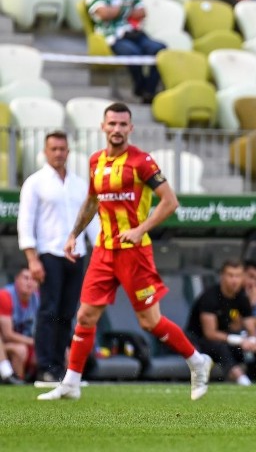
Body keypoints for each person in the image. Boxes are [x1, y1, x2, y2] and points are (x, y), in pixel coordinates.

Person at [37, 102, 213, 401]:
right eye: (112, 124)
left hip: (134, 253)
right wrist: (74, 235)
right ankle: (71, 382)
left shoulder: (142, 162)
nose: (117, 129)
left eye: (122, 124)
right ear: (103, 127)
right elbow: (92, 201)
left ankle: (197, 361)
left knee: (150, 322)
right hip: (104, 251)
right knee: (86, 316)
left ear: (130, 128)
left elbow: (170, 202)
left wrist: (140, 229)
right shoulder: (95, 161)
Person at [17, 131, 99, 383]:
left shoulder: (79, 183)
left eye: (62, 149)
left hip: (76, 255)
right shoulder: (35, 182)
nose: (58, 153)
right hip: (49, 253)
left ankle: (60, 367)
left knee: (67, 312)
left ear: (68, 152)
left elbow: (91, 218)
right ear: (45, 151)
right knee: (48, 311)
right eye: (54, 149)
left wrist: (98, 250)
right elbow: (26, 220)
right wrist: (32, 258)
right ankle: (45, 367)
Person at [186, 259, 256, 386]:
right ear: (222, 276)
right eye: (230, 275)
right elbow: (210, 334)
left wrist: (252, 340)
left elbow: (250, 326)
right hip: (199, 341)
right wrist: (240, 340)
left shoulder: (241, 297)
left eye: (237, 276)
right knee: (221, 348)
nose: (234, 280)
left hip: (228, 338)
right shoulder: (209, 297)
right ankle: (244, 383)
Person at [86, 0, 167, 104]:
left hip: (135, 33)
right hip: (113, 36)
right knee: (133, 53)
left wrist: (116, 10)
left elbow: (142, 12)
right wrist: (127, 9)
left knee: (160, 49)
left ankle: (148, 91)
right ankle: (141, 88)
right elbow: (103, 13)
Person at [0, 267, 39, 381]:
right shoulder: (5, 296)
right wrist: (35, 342)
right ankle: (15, 380)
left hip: (24, 341)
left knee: (50, 352)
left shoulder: (37, 299)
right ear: (16, 280)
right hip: (4, 344)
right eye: (26, 278)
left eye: (33, 279)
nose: (29, 282)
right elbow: (8, 335)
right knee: (20, 350)